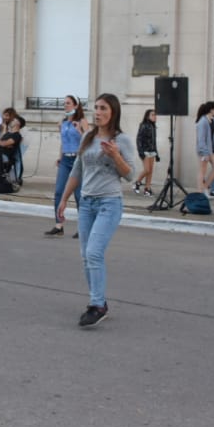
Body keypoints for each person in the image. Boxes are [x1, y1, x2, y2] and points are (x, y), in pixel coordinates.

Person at [57, 94, 137, 328]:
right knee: (86, 255)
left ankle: (97, 305)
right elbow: (77, 172)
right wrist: (63, 200)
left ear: (113, 112)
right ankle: (98, 301)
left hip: (109, 203)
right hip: (87, 203)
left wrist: (115, 155)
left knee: (93, 252)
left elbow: (130, 174)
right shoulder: (87, 137)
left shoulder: (122, 140)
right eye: (96, 108)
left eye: (103, 108)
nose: (98, 112)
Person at [47, 95, 87, 237]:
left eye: (68, 103)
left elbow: (88, 141)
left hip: (78, 160)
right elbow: (63, 142)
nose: (66, 106)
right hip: (65, 159)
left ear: (76, 106)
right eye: (64, 104)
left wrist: (80, 131)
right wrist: (60, 156)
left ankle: (83, 228)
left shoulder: (82, 121)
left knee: (78, 195)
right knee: (59, 192)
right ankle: (59, 225)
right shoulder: (62, 123)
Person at [0, 107, 26, 184]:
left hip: (4, 155)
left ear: (18, 124)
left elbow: (3, 143)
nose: (12, 121)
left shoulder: (17, 135)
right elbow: (0, 140)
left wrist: (0, 142)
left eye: (14, 120)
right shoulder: (9, 133)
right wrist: (4, 127)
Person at [132, 109, 158, 197]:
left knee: (150, 171)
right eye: (153, 115)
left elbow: (154, 141)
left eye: (155, 115)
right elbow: (139, 139)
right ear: (148, 116)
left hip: (152, 151)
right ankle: (137, 182)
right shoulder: (143, 125)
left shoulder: (153, 127)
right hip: (145, 151)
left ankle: (147, 189)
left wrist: (156, 153)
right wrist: (140, 152)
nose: (155, 117)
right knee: (146, 170)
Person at [194, 100, 214, 195]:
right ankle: (200, 192)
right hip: (204, 150)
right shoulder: (203, 121)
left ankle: (205, 187)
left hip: (212, 149)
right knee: (202, 171)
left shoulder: (213, 120)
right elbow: (201, 139)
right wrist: (204, 152)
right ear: (211, 110)